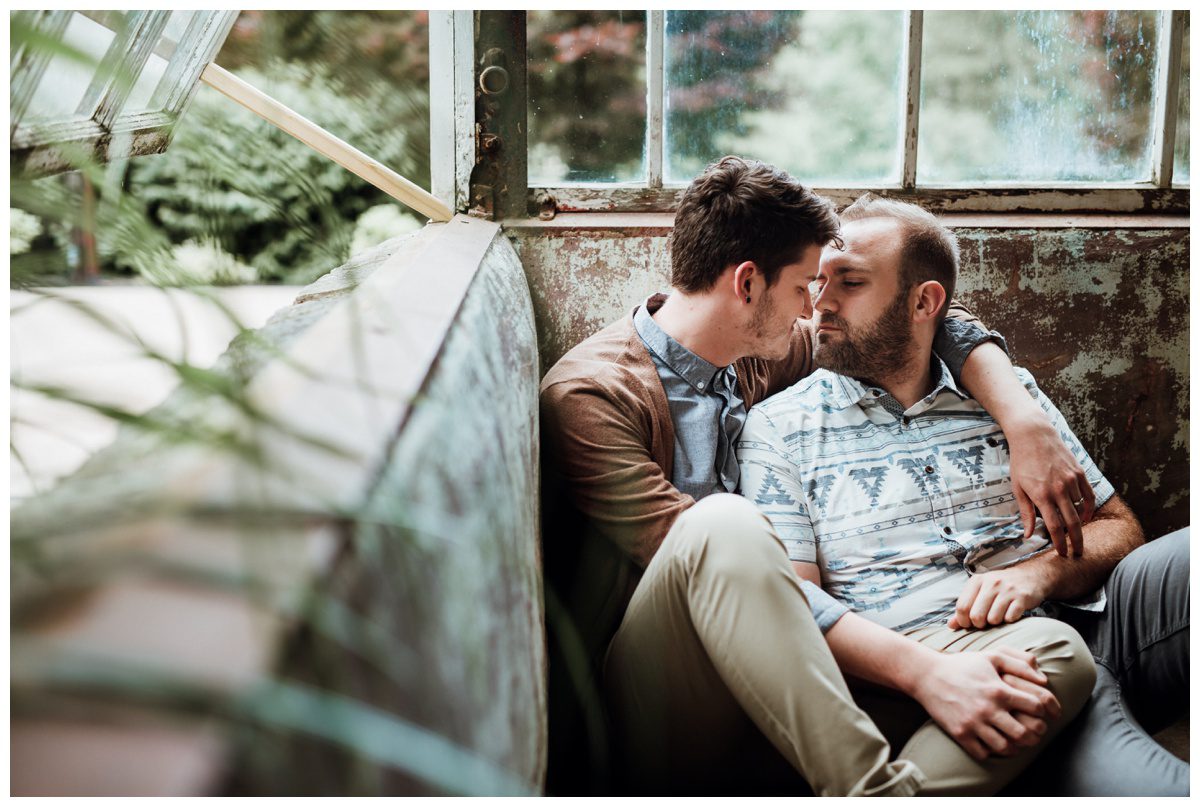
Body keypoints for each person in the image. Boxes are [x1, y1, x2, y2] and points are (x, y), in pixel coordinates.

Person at [539, 156, 1100, 795]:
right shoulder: (591, 398)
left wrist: (1023, 421)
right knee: (723, 525)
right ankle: (869, 789)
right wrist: (923, 671)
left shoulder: (753, 347)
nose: (817, 308)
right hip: (661, 699)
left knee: (1048, 656)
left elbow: (935, 324)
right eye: (806, 286)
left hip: (789, 675)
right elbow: (725, 564)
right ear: (747, 284)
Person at [735, 194, 1189, 796]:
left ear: (925, 303)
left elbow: (1118, 525)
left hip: (1100, 619)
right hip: (985, 665)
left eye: (851, 282)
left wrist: (1039, 575)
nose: (821, 302)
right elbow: (799, 613)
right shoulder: (777, 429)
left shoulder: (1010, 397)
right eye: (819, 281)